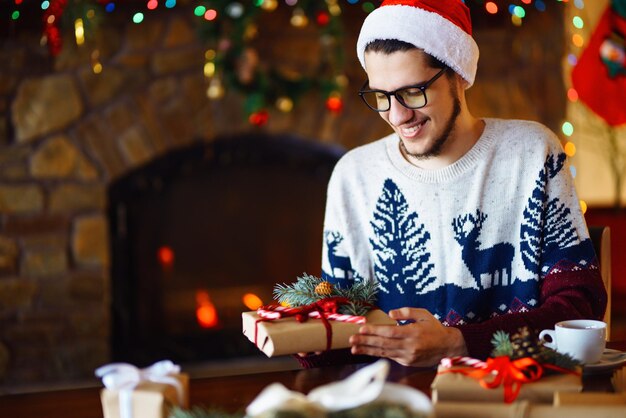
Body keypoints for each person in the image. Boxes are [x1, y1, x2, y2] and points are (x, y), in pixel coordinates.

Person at [297, 0, 607, 368]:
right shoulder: (353, 175)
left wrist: (459, 343)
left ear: (458, 74)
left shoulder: (531, 153)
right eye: (381, 96)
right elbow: (340, 320)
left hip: (508, 392)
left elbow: (579, 307)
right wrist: (312, 341)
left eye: (413, 92)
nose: (397, 115)